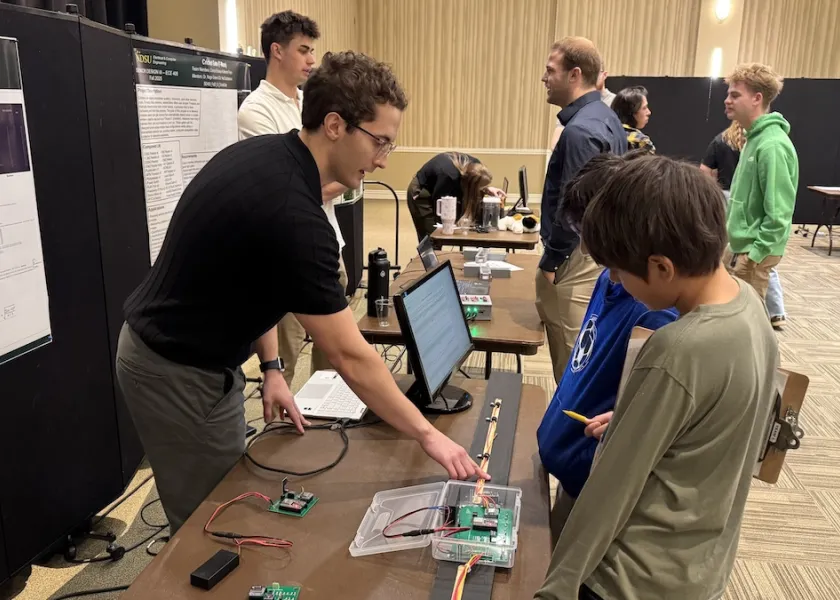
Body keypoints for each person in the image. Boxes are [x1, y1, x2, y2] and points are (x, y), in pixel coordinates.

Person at [116, 51, 488, 534]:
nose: (381, 160)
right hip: (174, 371)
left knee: (234, 495)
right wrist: (426, 435)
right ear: (335, 125)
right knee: (212, 527)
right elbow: (350, 356)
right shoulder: (294, 214)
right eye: (380, 142)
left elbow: (259, 278)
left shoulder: (272, 156)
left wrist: (271, 367)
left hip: (199, 361)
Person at [535, 155, 778, 600]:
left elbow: (608, 492)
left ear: (662, 268)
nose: (615, 281)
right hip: (694, 564)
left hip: (627, 579)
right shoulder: (748, 306)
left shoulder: (675, 348)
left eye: (620, 273)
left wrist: (556, 589)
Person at [536, 152, 677, 543]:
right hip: (570, 471)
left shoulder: (652, 310)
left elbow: (645, 423)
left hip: (593, 487)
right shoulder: (610, 280)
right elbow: (586, 358)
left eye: (589, 233)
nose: (586, 247)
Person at [238, 11, 352, 386]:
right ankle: (281, 437)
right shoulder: (255, 112)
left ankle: (327, 421)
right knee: (283, 359)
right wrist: (340, 178)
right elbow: (285, 193)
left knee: (335, 349)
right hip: (284, 252)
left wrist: (336, 178)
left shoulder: (309, 103)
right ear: (276, 51)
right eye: (303, 50)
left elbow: (322, 180)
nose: (311, 61)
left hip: (326, 241)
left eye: (312, 51)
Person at [537, 37, 627, 384]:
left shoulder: (580, 131)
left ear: (574, 75)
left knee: (572, 353)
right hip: (589, 251)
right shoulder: (605, 117)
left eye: (550, 70)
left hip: (574, 256)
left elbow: (574, 211)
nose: (544, 78)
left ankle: (572, 430)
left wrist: (551, 261)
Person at [723, 62, 799, 301]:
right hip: (738, 247)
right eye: (728, 94)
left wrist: (754, 256)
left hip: (752, 254)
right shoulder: (753, 139)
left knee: (748, 325)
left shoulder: (772, 145)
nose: (727, 100)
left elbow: (779, 214)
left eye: (735, 95)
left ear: (757, 98)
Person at [702, 121, 788, 329]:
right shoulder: (756, 143)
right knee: (753, 268)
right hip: (743, 205)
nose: (728, 102)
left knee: (754, 266)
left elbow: (705, 170)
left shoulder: (766, 145)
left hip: (731, 201)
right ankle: (775, 311)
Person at [406, 152, 506, 242]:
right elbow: (440, 207)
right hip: (421, 191)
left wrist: (487, 188)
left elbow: (473, 184)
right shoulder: (448, 177)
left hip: (444, 184)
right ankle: (429, 259)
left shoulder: (476, 166)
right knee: (432, 235)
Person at [549, 67, 614, 150]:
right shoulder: (576, 101)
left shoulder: (615, 101)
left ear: (604, 75)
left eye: (594, 74)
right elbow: (557, 136)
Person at [611, 85, 654, 152]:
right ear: (632, 111)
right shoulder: (641, 142)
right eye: (644, 108)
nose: (649, 112)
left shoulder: (606, 135)